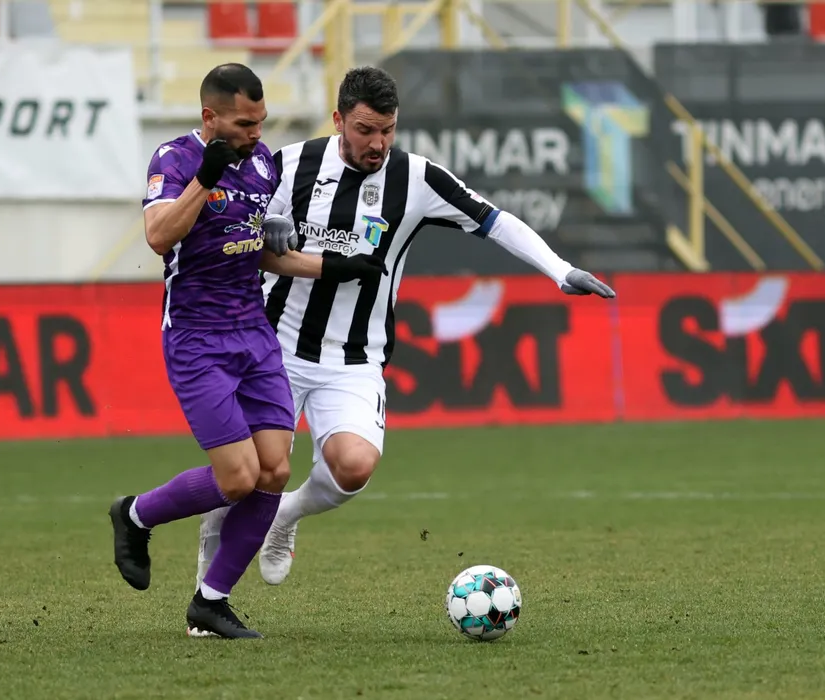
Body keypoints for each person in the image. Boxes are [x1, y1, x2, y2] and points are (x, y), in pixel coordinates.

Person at [195, 65, 615, 590]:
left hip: (355, 356)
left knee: (353, 467)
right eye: (365, 130)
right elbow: (236, 222)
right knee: (247, 472)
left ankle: (285, 515)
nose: (378, 143)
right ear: (338, 121)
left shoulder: (416, 178)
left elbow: (494, 220)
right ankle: (208, 586)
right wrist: (267, 225)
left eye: (388, 130)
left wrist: (560, 270)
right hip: (273, 347)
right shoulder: (291, 162)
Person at [107, 63, 383, 639]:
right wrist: (204, 179)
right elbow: (159, 236)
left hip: (255, 335)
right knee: (237, 478)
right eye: (243, 124)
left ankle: (211, 601)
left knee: (274, 471)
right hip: (196, 339)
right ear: (210, 117)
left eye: (260, 122)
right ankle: (134, 514)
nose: (257, 134)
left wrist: (332, 266)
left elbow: (256, 248)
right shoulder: (175, 160)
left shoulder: (261, 164)